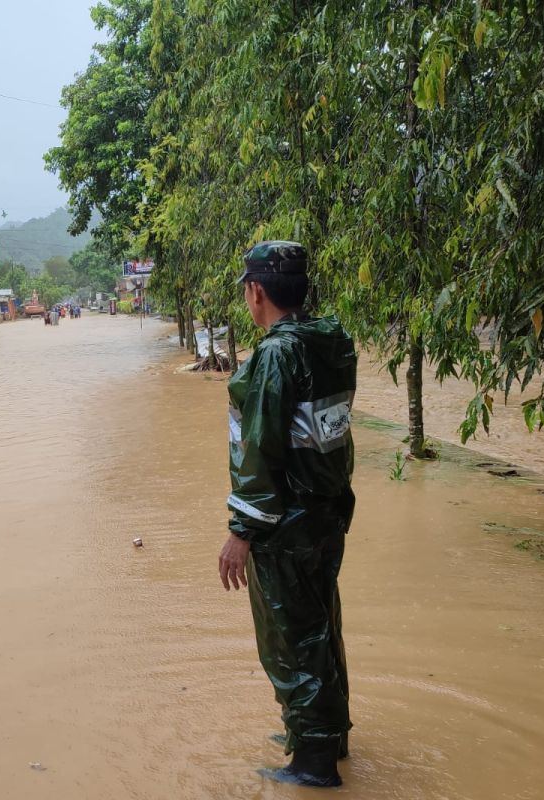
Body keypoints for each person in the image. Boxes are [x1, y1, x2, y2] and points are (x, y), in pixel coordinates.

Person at [218, 241, 357, 788]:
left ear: (256, 292)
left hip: (286, 522)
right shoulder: (332, 342)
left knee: (293, 638)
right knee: (321, 626)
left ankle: (312, 763)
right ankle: (322, 733)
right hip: (326, 514)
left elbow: (260, 448)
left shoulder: (277, 354)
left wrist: (241, 531)